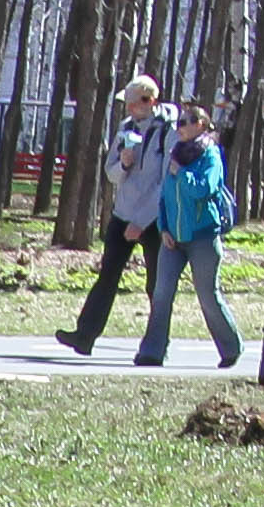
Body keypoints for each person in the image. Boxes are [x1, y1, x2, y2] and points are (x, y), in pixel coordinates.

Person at [55, 74, 177, 355]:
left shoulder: (167, 132)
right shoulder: (125, 128)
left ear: (150, 101)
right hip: (123, 214)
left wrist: (142, 221)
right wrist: (123, 164)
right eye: (128, 103)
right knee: (107, 275)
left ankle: (158, 343)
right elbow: (111, 175)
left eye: (135, 103)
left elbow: (165, 184)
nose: (130, 108)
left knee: (155, 284)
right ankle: (85, 335)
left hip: (154, 219)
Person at [138, 101, 244, 369]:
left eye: (185, 122)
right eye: (179, 123)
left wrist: (183, 174)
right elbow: (165, 196)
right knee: (161, 293)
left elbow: (205, 189)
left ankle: (231, 347)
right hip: (173, 239)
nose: (180, 127)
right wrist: (163, 229)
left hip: (202, 237)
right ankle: (152, 352)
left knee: (207, 294)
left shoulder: (210, 155)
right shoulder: (176, 153)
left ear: (201, 125)